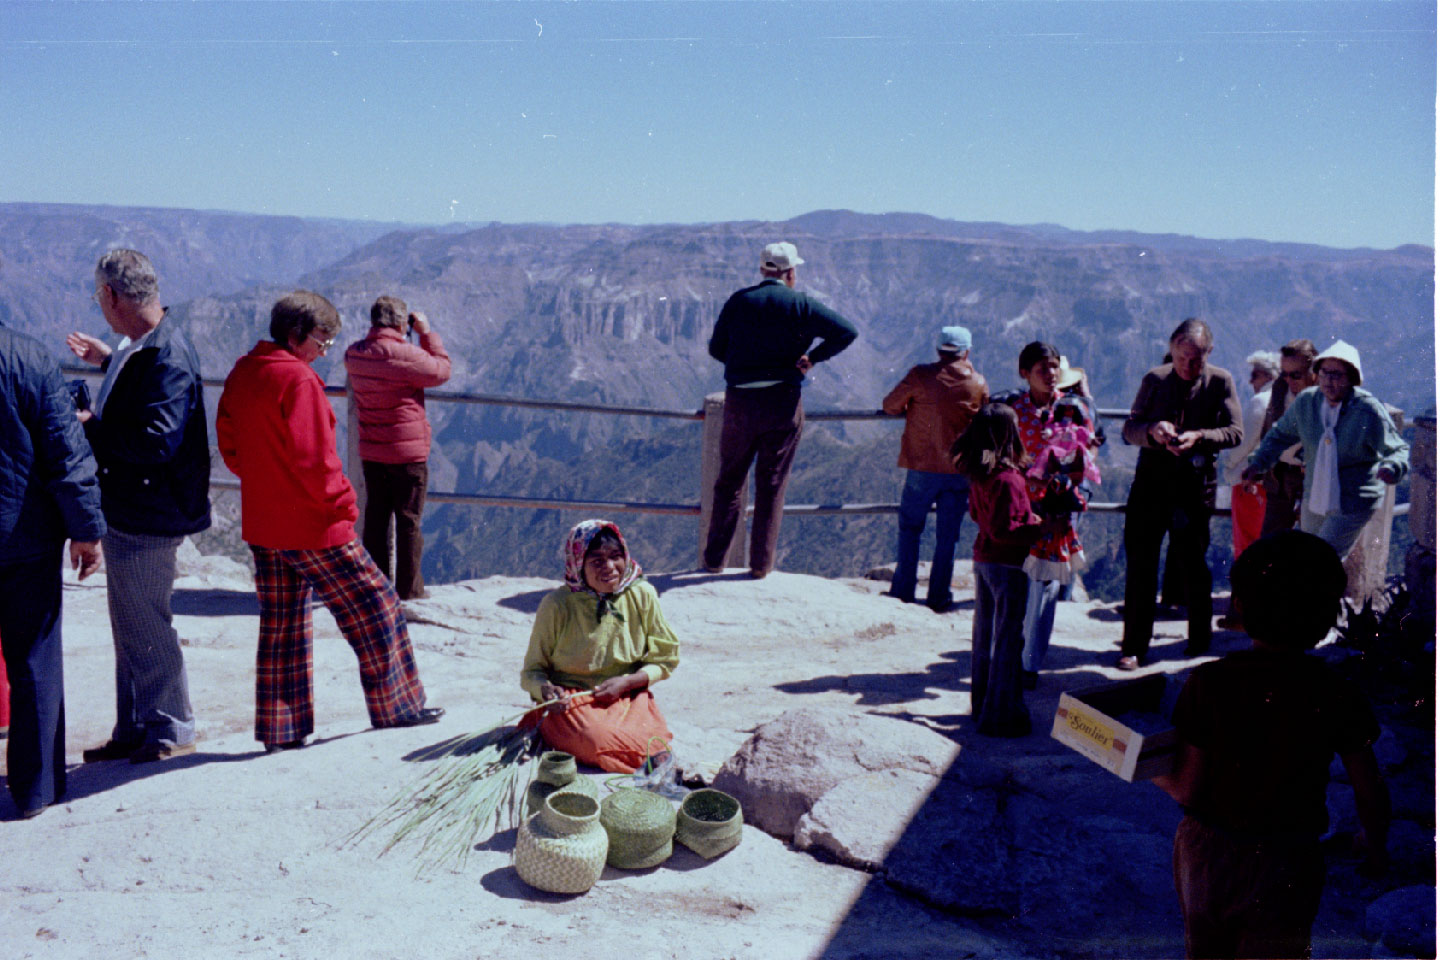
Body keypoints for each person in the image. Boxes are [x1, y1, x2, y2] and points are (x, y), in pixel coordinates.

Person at [216, 291, 443, 752]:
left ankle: (282, 731)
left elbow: (231, 446)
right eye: (322, 340)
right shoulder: (299, 382)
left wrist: (267, 482)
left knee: (282, 624)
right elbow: (317, 463)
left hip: (264, 523)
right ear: (296, 334)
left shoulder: (244, 372)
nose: (325, 350)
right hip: (314, 526)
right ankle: (397, 707)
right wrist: (345, 506)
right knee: (377, 605)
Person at [1152, 531, 1389, 959]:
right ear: (1326, 617)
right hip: (1289, 859)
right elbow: (1369, 788)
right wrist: (1374, 849)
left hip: (1208, 853)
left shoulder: (1209, 683)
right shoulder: (1337, 692)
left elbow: (1187, 787)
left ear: (1240, 607)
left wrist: (1135, 759)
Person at [65, 249, 210, 764]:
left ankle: (171, 726)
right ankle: (135, 726)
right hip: (133, 507)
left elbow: (157, 440)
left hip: (150, 512)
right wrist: (108, 361)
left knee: (145, 620)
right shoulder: (145, 345)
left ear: (111, 295)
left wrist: (91, 427)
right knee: (129, 621)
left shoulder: (165, 355)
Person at [702, 242, 858, 578]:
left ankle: (714, 561)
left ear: (762, 270)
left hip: (740, 403)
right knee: (772, 483)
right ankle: (760, 566)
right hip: (782, 403)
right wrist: (811, 358)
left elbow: (716, 348)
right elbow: (847, 331)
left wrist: (744, 365)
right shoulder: (801, 304)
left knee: (729, 481)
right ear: (790, 273)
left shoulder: (739, 301)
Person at [0, 324, 105, 818]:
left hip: (24, 536)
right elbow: (66, 450)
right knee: (35, 663)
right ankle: (35, 789)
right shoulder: (30, 358)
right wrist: (86, 529)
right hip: (25, 537)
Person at [1119, 319, 1242, 669]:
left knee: (1194, 564)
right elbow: (1130, 429)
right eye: (1184, 357)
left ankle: (1199, 641)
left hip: (1194, 486)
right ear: (1172, 348)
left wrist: (1199, 436)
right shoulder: (1155, 380)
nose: (1189, 366)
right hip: (1151, 484)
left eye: (1197, 359)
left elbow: (1235, 431)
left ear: (1209, 354)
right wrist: (1153, 431)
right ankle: (1134, 647)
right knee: (1141, 565)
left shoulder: (1220, 381)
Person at [520, 520, 680, 773]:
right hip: (574, 700)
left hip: (627, 693)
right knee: (597, 740)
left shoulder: (642, 594)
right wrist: (546, 692)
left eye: (616, 557)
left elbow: (666, 657)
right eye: (596, 562)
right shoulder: (557, 605)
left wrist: (629, 683)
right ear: (578, 566)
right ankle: (552, 727)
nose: (610, 568)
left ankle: (648, 758)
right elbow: (531, 672)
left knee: (654, 742)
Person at [1243, 340, 1407, 561]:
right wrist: (1257, 463)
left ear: (1351, 378)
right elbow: (1280, 435)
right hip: (1316, 494)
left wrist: (1391, 467)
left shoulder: (1366, 410)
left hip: (1353, 498)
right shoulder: (1307, 402)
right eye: (1324, 373)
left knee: (1323, 558)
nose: (1329, 380)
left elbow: (1396, 447)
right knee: (1310, 555)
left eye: (1337, 375)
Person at [997, 343, 1096, 689]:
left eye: (1054, 367)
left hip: (1057, 506)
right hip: (1020, 504)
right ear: (1024, 372)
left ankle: (1030, 663)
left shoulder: (1073, 409)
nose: (1051, 374)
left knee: (1047, 584)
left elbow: (1090, 450)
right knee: (1019, 579)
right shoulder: (1009, 408)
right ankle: (1014, 649)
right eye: (1042, 368)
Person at [343, 295, 452, 601]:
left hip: (373, 452)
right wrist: (426, 333)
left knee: (376, 519)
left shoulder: (355, 354)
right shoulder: (407, 355)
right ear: (402, 324)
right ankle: (410, 590)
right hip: (408, 455)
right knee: (408, 521)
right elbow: (442, 370)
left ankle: (376, 587)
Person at [881, 325, 989, 611]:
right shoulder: (977, 382)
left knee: (910, 527)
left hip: (921, 466)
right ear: (966, 351)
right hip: (959, 471)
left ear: (938, 349)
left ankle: (903, 590)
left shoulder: (920, 375)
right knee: (948, 536)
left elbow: (890, 405)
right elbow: (985, 423)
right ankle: (939, 596)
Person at [953, 404, 1042, 737]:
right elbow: (1005, 529)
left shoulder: (980, 473)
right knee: (1008, 640)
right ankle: (1002, 716)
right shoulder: (1008, 479)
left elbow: (981, 518)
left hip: (984, 561)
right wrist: (1040, 528)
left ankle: (982, 707)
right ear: (1009, 433)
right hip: (1008, 565)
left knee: (985, 637)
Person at [1215, 350, 1279, 631]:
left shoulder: (1260, 402)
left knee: (1246, 546)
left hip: (1249, 483)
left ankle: (1242, 612)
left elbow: (1243, 442)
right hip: (1274, 486)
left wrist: (1227, 464)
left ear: (1266, 376)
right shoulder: (1286, 400)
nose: (1250, 380)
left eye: (1254, 374)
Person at [1257, 339, 1319, 537]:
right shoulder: (1279, 389)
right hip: (1280, 477)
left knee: (1310, 539)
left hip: (1310, 479)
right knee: (1270, 541)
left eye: (1296, 375)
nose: (1289, 380)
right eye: (1284, 374)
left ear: (1313, 373)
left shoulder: (1324, 397)